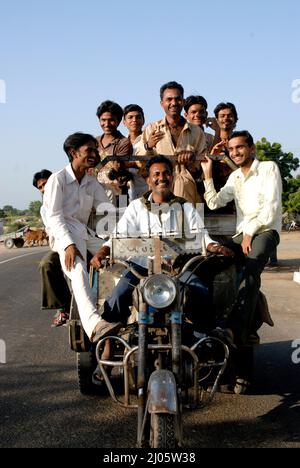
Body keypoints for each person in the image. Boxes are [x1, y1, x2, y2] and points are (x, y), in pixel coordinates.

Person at [90, 155, 233, 340]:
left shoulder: (184, 206)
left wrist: (215, 246)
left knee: (201, 290)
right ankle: (108, 338)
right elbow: (118, 236)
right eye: (156, 174)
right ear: (148, 180)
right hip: (140, 268)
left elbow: (201, 235)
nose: (162, 178)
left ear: (172, 177)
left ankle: (204, 338)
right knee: (118, 294)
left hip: (178, 269)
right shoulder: (136, 207)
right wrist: (103, 251)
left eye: (166, 173)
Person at [200, 130, 282, 346]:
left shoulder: (268, 168)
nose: (235, 152)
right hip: (241, 236)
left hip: (265, 232)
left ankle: (234, 331)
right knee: (205, 264)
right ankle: (206, 324)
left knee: (250, 270)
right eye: (232, 149)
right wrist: (208, 176)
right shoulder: (234, 177)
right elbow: (214, 202)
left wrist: (248, 232)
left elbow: (270, 209)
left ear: (251, 148)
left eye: (240, 147)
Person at [43, 132, 117, 342]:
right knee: (78, 270)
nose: (94, 154)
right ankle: (95, 325)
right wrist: (68, 245)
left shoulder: (92, 183)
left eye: (95, 150)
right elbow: (54, 217)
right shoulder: (57, 180)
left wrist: (113, 239)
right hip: (62, 235)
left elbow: (107, 211)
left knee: (121, 256)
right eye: (89, 150)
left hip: (84, 233)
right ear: (73, 153)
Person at [135, 81, 207, 204]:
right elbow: (140, 163)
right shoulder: (152, 129)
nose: (173, 103)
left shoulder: (196, 132)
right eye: (169, 99)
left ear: (183, 102)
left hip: (187, 189)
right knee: (158, 221)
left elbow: (203, 167)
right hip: (159, 187)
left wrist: (191, 161)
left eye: (177, 99)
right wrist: (148, 146)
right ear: (162, 103)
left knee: (186, 221)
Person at [32, 169, 71, 327]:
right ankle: (64, 307)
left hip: (81, 240)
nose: (43, 189)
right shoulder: (44, 209)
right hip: (60, 245)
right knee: (46, 264)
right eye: (40, 187)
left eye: (46, 183)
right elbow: (52, 230)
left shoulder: (69, 196)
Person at [96, 100, 133, 199]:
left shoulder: (123, 142)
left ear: (119, 121)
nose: (107, 124)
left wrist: (94, 170)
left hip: (119, 194)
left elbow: (117, 169)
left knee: (119, 214)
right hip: (97, 193)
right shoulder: (95, 141)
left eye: (111, 120)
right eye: (103, 120)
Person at [123, 103, 148, 200]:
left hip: (148, 190)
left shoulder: (149, 140)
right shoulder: (121, 142)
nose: (134, 120)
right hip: (128, 194)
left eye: (138, 117)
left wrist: (130, 164)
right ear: (124, 122)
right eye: (130, 117)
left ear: (143, 120)